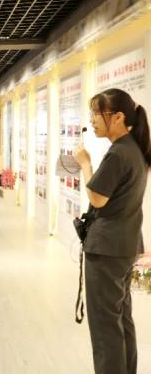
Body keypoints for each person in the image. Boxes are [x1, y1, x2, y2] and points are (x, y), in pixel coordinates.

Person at [72, 88, 150, 374]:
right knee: (120, 319)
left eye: (97, 114)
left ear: (118, 117)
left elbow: (97, 198)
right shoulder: (134, 149)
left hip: (107, 250)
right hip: (124, 246)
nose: (92, 120)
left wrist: (85, 164)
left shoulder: (118, 153)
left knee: (105, 328)